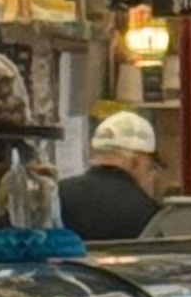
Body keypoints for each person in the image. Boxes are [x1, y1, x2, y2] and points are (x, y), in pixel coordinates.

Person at [58, 104, 162, 243]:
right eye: (149, 167)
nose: (150, 175)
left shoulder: (60, 193)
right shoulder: (147, 211)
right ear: (135, 162)